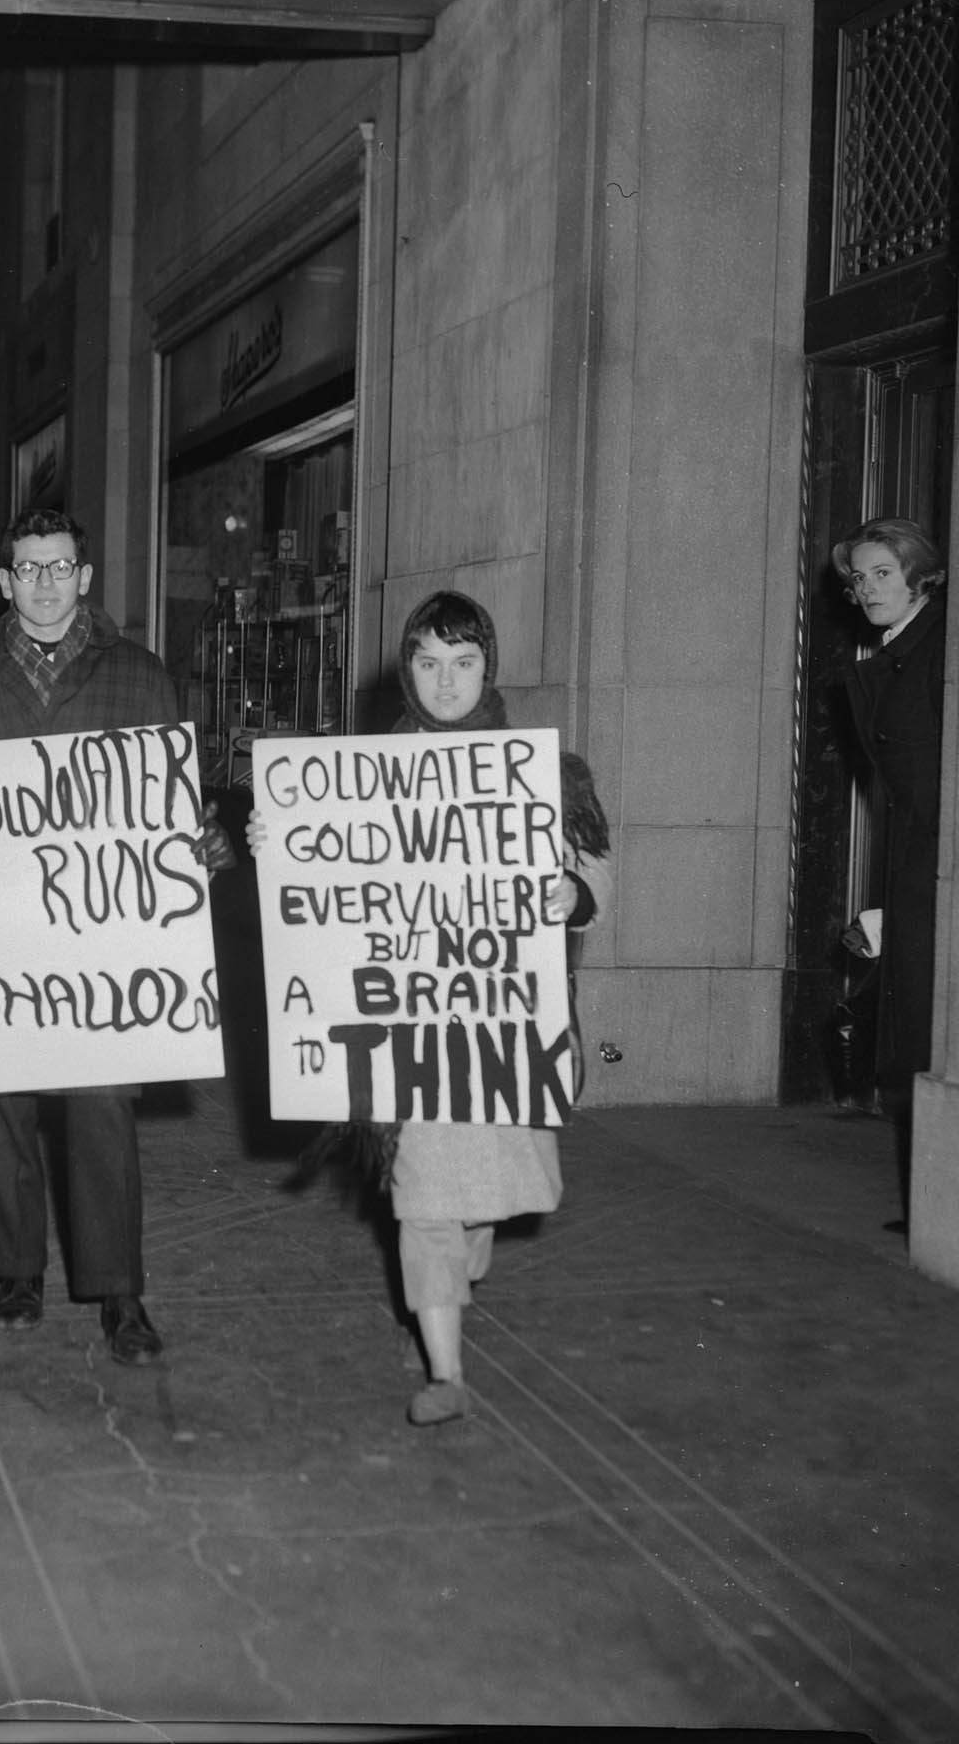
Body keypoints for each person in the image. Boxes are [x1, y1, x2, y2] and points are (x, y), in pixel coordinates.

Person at [251, 590, 612, 1428]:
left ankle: (445, 1293)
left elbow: (598, 873)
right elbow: (323, 885)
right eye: (426, 662)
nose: (445, 682)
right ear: (406, 670)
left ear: (488, 667)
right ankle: (445, 1367)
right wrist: (282, 844)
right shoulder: (360, 779)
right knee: (424, 1196)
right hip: (405, 1030)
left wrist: (571, 892)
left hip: (497, 1028)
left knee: (478, 1201)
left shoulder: (541, 773)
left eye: (463, 662)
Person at [0, 507, 234, 1366]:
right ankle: (18, 1271)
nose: (44, 585)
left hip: (101, 947)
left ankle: (120, 1290)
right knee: (2, 1110)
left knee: (101, 1112)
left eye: (60, 568)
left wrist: (203, 845)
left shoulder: (141, 675)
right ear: (5, 583)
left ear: (84, 578)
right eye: (28, 570)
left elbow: (173, 803)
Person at [831, 517, 947, 1230]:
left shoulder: (934, 647)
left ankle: (937, 1204)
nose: (867, 588)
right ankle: (930, 1201)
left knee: (924, 1026)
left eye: (882, 573)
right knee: (910, 1026)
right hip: (911, 864)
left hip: (933, 865)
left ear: (916, 574)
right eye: (859, 577)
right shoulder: (895, 646)